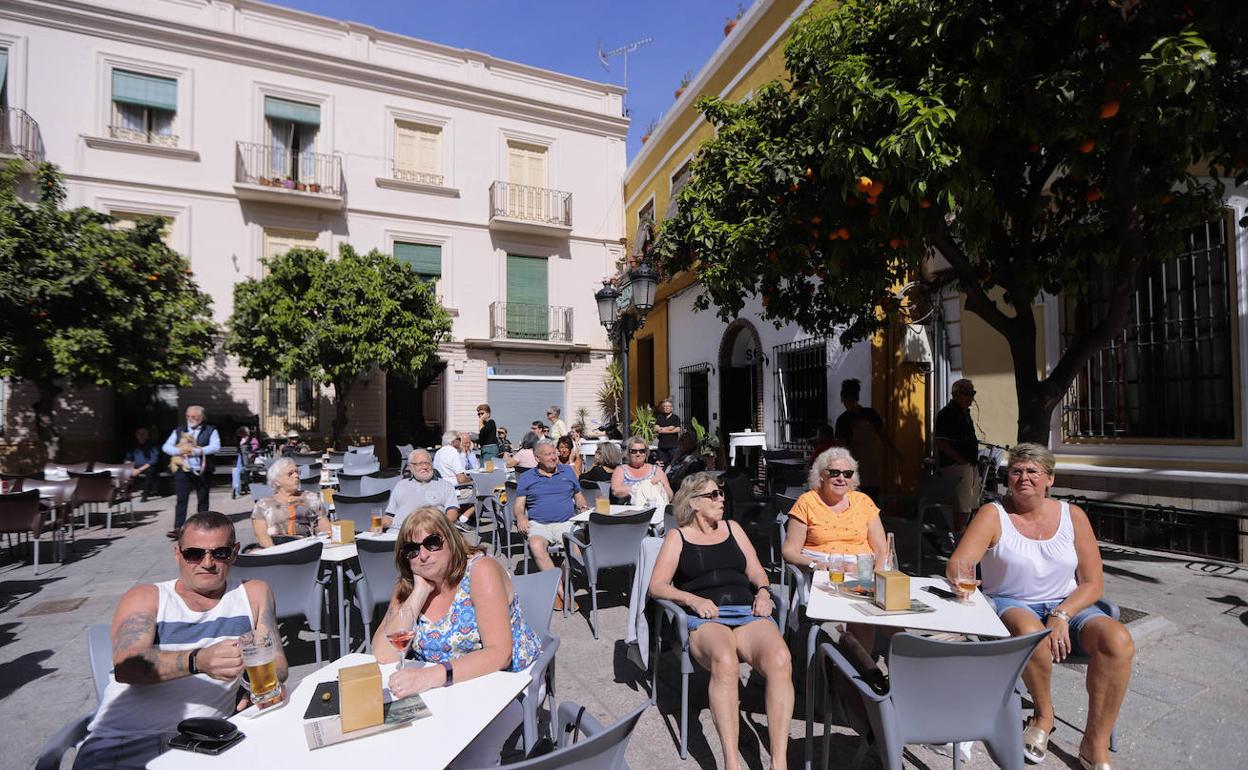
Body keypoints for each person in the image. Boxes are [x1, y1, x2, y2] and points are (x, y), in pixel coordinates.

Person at [948, 444, 1134, 770]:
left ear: (1050, 478)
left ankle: (1095, 743)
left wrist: (1062, 614)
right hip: (1010, 602)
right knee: (1031, 631)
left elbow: (1093, 582)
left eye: (1033, 471)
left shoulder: (1072, 516)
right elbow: (960, 562)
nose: (1024, 478)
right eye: (1017, 471)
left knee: (1118, 641)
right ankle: (1043, 717)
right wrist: (960, 576)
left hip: (1068, 606)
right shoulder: (994, 514)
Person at [73, 512, 287, 770]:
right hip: (124, 741)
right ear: (178, 553)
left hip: (207, 741)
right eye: (194, 554)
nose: (207, 563)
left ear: (234, 552)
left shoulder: (253, 593)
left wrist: (252, 681)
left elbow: (277, 662)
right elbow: (127, 665)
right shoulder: (147, 597)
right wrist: (198, 661)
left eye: (219, 553)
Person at [373, 507, 542, 767]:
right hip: (444, 687)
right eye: (412, 550)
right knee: (390, 743)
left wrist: (429, 677)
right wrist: (419, 593)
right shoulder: (407, 585)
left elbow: (499, 653)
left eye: (432, 542)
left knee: (469, 758)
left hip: (506, 681)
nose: (424, 555)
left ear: (450, 539)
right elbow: (384, 656)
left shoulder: (480, 571)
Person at [649, 473, 793, 770]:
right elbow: (658, 586)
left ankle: (779, 762)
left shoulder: (733, 528)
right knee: (725, 660)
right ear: (693, 503)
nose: (721, 499)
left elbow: (755, 570)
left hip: (746, 611)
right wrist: (693, 600)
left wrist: (764, 592)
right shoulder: (678, 537)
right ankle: (731, 763)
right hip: (705, 617)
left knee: (780, 658)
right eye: (713, 495)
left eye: (721, 493)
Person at [781, 446, 888, 651]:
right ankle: (852, 666)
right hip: (825, 575)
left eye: (847, 474)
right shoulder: (807, 502)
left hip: (863, 572)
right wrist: (817, 564)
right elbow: (789, 550)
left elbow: (882, 550)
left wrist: (878, 579)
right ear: (821, 475)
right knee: (860, 611)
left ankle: (863, 669)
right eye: (834, 473)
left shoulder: (863, 502)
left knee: (886, 615)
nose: (841, 478)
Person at [514, 439, 588, 610]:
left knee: (577, 548)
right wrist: (520, 517)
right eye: (548, 454)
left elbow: (578, 495)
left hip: (566, 522)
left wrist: (583, 506)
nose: (554, 457)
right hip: (539, 524)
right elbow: (519, 505)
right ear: (537, 458)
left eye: (554, 453)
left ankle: (557, 588)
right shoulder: (527, 477)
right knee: (536, 544)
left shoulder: (568, 471)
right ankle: (562, 592)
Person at [833, 379, 900, 501]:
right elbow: (840, 447)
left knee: (872, 502)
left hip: (871, 467)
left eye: (849, 401)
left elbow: (883, 435)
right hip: (852, 470)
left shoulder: (871, 415)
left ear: (856, 399)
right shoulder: (843, 421)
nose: (847, 404)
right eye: (845, 401)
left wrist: (895, 452)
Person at [161, 405, 220, 538]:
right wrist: (179, 451)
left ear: (202, 417)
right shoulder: (179, 430)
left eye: (194, 416)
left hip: (203, 469)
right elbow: (166, 447)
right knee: (181, 499)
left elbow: (216, 447)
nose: (190, 419)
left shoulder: (211, 430)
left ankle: (203, 526)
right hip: (183, 469)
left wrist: (197, 451)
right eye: (188, 416)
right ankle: (178, 528)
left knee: (203, 498)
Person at [249, 457, 331, 549]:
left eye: (297, 472)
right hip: (275, 548)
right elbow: (261, 534)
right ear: (277, 481)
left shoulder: (311, 497)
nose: (296, 476)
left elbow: (324, 526)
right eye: (290, 474)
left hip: (306, 547)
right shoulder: (263, 504)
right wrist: (275, 552)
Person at [935, 378, 980, 535]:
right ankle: (960, 536)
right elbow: (941, 442)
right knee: (962, 505)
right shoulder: (947, 414)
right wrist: (960, 461)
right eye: (968, 393)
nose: (971, 398)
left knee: (973, 502)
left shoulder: (964, 414)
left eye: (972, 393)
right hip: (957, 466)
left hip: (969, 464)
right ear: (957, 394)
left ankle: (970, 535)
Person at [385, 449, 460, 529]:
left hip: (428, 534)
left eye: (428, 463)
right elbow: (389, 517)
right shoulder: (400, 485)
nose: (425, 467)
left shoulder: (445, 486)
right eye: (420, 464)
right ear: (410, 467)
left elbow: (452, 515)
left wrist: (438, 530)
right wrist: (377, 527)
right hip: (397, 532)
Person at [611, 435, 674, 506]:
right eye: (634, 451)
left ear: (646, 453)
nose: (638, 454)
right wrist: (642, 486)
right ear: (628, 453)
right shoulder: (621, 469)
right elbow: (616, 491)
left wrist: (661, 485)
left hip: (653, 509)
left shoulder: (656, 470)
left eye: (642, 451)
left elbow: (670, 496)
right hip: (629, 511)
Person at [126, 427, 161, 502]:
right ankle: (127, 494)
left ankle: (145, 495)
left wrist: (138, 470)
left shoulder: (153, 445)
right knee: (125, 471)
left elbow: (153, 460)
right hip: (136, 466)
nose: (141, 435)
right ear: (136, 435)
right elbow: (128, 458)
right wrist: (130, 468)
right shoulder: (133, 445)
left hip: (148, 466)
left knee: (150, 471)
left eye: (143, 434)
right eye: (139, 434)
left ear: (147, 435)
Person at [231, 426, 259, 499]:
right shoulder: (241, 440)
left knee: (240, 471)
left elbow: (255, 450)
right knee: (236, 471)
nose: (243, 436)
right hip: (241, 458)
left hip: (249, 460)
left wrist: (251, 453)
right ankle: (236, 490)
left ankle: (239, 489)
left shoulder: (253, 440)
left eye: (244, 435)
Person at [654, 398, 682, 466]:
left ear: (671, 408)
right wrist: (669, 428)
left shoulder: (675, 418)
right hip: (662, 447)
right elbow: (656, 429)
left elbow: (678, 429)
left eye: (668, 406)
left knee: (673, 465)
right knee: (661, 465)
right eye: (665, 406)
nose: (666, 408)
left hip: (673, 446)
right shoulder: (660, 417)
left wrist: (662, 430)